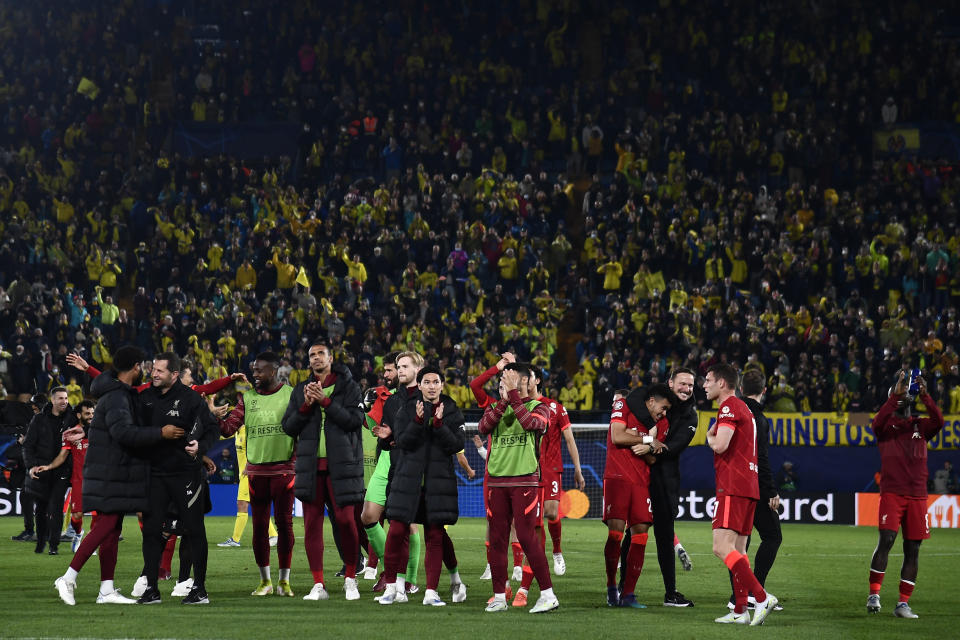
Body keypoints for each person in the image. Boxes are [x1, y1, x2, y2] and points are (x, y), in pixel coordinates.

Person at [54, 345, 185, 606]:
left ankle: (106, 590)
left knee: (112, 529)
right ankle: (68, 577)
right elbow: (123, 432)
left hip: (113, 469)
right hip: (110, 470)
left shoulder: (117, 393)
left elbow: (110, 428)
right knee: (106, 525)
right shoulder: (117, 397)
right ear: (136, 367)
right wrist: (162, 433)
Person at [281, 340, 364, 601]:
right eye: (312, 355)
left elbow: (355, 421)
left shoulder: (349, 387)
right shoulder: (299, 391)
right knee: (311, 526)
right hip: (311, 469)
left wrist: (325, 401)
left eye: (320, 354)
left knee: (346, 521)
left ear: (331, 358)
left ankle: (351, 578)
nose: (316, 358)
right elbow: (289, 427)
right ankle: (318, 584)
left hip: (342, 468)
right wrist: (306, 405)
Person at [378, 365, 466, 606]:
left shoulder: (451, 410)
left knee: (435, 535)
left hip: (437, 484)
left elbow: (456, 444)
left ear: (442, 384)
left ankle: (431, 592)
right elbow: (402, 441)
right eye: (426, 382)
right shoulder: (407, 408)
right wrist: (418, 421)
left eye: (435, 382)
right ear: (420, 385)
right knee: (396, 531)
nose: (431, 386)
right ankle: (393, 588)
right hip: (407, 481)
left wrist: (438, 426)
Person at [135, 352, 219, 605]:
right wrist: (160, 433)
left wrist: (200, 447)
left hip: (186, 474)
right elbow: (133, 431)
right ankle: (151, 588)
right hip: (155, 475)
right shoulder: (145, 398)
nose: (154, 374)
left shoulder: (191, 398)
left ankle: (199, 589)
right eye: (153, 369)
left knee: (194, 531)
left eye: (160, 371)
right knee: (151, 532)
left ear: (174, 374)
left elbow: (212, 428)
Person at [478, 362, 558, 613]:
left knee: (526, 536)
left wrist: (513, 395)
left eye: (509, 379)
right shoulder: (495, 407)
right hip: (497, 481)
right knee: (498, 540)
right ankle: (500, 597)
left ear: (523, 382)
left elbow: (531, 424)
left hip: (524, 480)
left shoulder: (540, 407)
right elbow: (483, 428)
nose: (503, 383)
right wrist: (504, 400)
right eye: (502, 380)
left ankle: (547, 595)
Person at [703, 363, 779, 626]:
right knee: (739, 550)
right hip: (750, 486)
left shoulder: (729, 407)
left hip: (733, 485)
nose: (705, 385)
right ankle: (739, 610)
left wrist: (709, 438)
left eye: (709, 380)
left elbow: (721, 444)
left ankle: (760, 597)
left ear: (722, 383)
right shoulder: (746, 408)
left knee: (720, 547)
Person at [866, 370, 945, 618]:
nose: (903, 398)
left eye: (904, 394)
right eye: (898, 395)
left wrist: (925, 395)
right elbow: (875, 422)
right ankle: (874, 595)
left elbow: (940, 420)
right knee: (886, 541)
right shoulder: (886, 428)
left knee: (913, 549)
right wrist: (894, 396)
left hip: (918, 497)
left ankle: (902, 604)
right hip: (893, 494)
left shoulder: (921, 426)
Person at [219, 352, 296, 597]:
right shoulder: (247, 398)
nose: (255, 375)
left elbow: (303, 429)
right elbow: (229, 427)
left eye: (259, 371)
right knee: (260, 527)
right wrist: (216, 416)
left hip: (284, 471)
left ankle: (284, 581)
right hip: (256, 473)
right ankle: (265, 581)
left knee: (285, 526)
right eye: (254, 370)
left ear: (273, 372)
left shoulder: (290, 395)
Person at [512, 367, 585, 607]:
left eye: (527, 377)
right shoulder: (519, 407)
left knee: (552, 513)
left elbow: (570, 439)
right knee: (534, 525)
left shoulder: (555, 407)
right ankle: (525, 583)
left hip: (551, 468)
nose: (524, 381)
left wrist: (577, 468)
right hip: (528, 470)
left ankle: (556, 551)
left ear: (537, 381)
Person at [602, 384, 673, 609]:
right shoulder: (622, 405)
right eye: (663, 408)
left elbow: (653, 459)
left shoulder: (663, 424)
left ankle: (629, 594)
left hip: (642, 482)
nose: (664, 414)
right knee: (615, 535)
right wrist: (646, 440)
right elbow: (617, 437)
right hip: (617, 476)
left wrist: (645, 445)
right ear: (651, 401)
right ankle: (612, 587)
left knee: (640, 537)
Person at [367, 351, 426, 597]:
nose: (398, 371)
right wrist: (387, 438)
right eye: (397, 367)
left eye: (403, 366)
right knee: (373, 518)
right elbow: (389, 440)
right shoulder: (390, 402)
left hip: (418, 468)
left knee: (417, 528)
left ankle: (408, 580)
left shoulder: (427, 397)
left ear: (417, 369)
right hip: (393, 465)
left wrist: (399, 439)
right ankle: (395, 578)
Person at [726, 369, 782, 612]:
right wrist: (771, 491)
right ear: (764, 390)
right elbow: (762, 458)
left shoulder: (734, 412)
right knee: (772, 536)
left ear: (740, 389)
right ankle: (752, 591)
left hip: (733, 484)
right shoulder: (758, 418)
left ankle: (740, 596)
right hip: (755, 486)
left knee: (739, 541)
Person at [650, 367, 699, 607]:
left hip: (666, 482)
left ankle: (670, 594)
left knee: (664, 537)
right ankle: (620, 591)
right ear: (670, 383)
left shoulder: (691, 416)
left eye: (690, 385)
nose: (687, 389)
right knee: (633, 534)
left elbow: (674, 447)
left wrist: (647, 445)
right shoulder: (654, 400)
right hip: (642, 477)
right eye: (683, 384)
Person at [31, 400, 96, 554]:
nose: (91, 416)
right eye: (88, 413)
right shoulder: (71, 434)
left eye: (93, 413)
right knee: (77, 515)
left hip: (98, 479)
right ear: (79, 415)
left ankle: (92, 542)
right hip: (79, 479)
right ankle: (78, 534)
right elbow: (62, 456)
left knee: (98, 514)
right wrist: (49, 466)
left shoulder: (100, 432)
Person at [359, 351, 399, 582]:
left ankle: (406, 577)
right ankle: (383, 567)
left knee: (406, 525)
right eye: (384, 371)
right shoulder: (381, 394)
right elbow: (370, 424)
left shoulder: (411, 396)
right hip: (383, 459)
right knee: (371, 516)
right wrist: (365, 407)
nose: (385, 375)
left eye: (390, 370)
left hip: (406, 462)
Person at [23, 387, 77, 555]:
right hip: (42, 469)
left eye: (66, 398)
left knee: (56, 506)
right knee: (41, 508)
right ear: (52, 400)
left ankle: (53, 545)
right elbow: (28, 445)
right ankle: (40, 542)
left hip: (62, 470)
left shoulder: (72, 419)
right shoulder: (39, 420)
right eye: (60, 398)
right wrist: (31, 466)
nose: (64, 401)